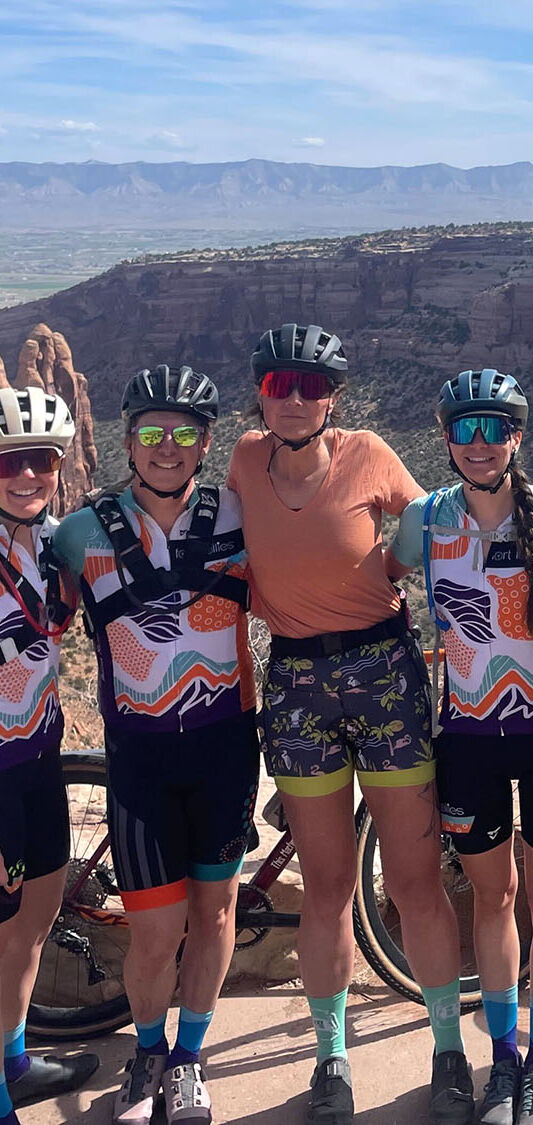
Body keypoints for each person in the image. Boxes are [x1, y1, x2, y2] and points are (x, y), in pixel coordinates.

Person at [227, 323, 472, 1125]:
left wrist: (408, 572)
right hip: (297, 682)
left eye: (312, 386)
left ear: (333, 397)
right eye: (280, 385)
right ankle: (330, 1057)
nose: (295, 399)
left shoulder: (368, 454)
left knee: (414, 878)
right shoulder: (242, 461)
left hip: (384, 675)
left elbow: (442, 521)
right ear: (261, 394)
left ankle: (448, 1049)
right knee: (329, 884)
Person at [54, 366, 259, 1125]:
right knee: (155, 930)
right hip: (140, 757)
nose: (166, 446)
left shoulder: (241, 515)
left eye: (184, 432)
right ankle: (148, 1051)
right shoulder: (80, 531)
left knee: (215, 915)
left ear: (205, 442)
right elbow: (38, 623)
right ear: (127, 438)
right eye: (150, 431)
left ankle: (188, 1058)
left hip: (225, 749)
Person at [387, 369, 533, 1125]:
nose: (479, 444)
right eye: (464, 429)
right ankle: (503, 1059)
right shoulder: (424, 520)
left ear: (516, 436)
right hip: (468, 738)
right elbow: (380, 581)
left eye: (494, 428)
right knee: (494, 896)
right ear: (446, 438)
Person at [0, 388, 99, 1125]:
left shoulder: (56, 543)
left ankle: (13, 1059)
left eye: (41, 459)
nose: (27, 475)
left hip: (38, 755)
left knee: (34, 917)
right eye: (8, 462)